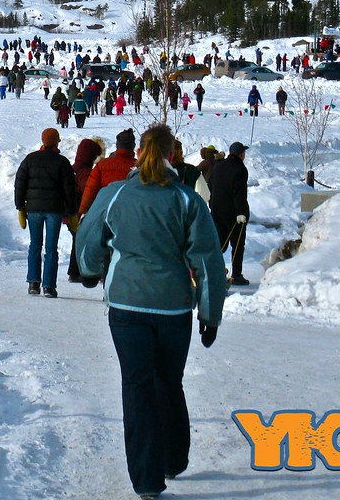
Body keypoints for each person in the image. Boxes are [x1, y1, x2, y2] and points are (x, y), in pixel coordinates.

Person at [76, 124, 227, 499]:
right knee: (169, 382)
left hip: (127, 305)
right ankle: (173, 459)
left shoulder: (115, 194)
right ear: (172, 156)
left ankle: (146, 480)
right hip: (174, 308)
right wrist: (209, 314)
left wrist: (91, 270)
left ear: (140, 153)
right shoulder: (187, 201)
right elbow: (207, 261)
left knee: (137, 387)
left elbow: (89, 236)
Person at [14, 128, 79, 298]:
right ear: (56, 142)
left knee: (35, 246)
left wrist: (20, 207)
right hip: (54, 210)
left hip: (34, 210)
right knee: (51, 249)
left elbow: (19, 185)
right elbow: (69, 189)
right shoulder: (62, 162)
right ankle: (49, 286)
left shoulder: (30, 159)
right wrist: (72, 212)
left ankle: (33, 283)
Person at [209, 142, 251, 286]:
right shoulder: (240, 169)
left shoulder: (218, 166)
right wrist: (241, 212)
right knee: (238, 244)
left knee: (219, 244)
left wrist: (212, 204)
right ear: (241, 154)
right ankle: (237, 275)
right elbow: (239, 193)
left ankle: (212, 270)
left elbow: (210, 185)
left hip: (216, 211)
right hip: (234, 215)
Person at [67, 137, 102, 283]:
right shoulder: (86, 172)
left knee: (76, 239)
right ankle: (77, 272)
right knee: (80, 241)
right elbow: (89, 191)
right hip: (80, 212)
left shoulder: (72, 168)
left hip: (69, 211)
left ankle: (73, 271)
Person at [80, 129, 137, 215]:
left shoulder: (102, 165)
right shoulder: (140, 168)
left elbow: (90, 192)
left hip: (106, 213)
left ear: (117, 145)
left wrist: (82, 213)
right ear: (134, 146)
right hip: (131, 215)